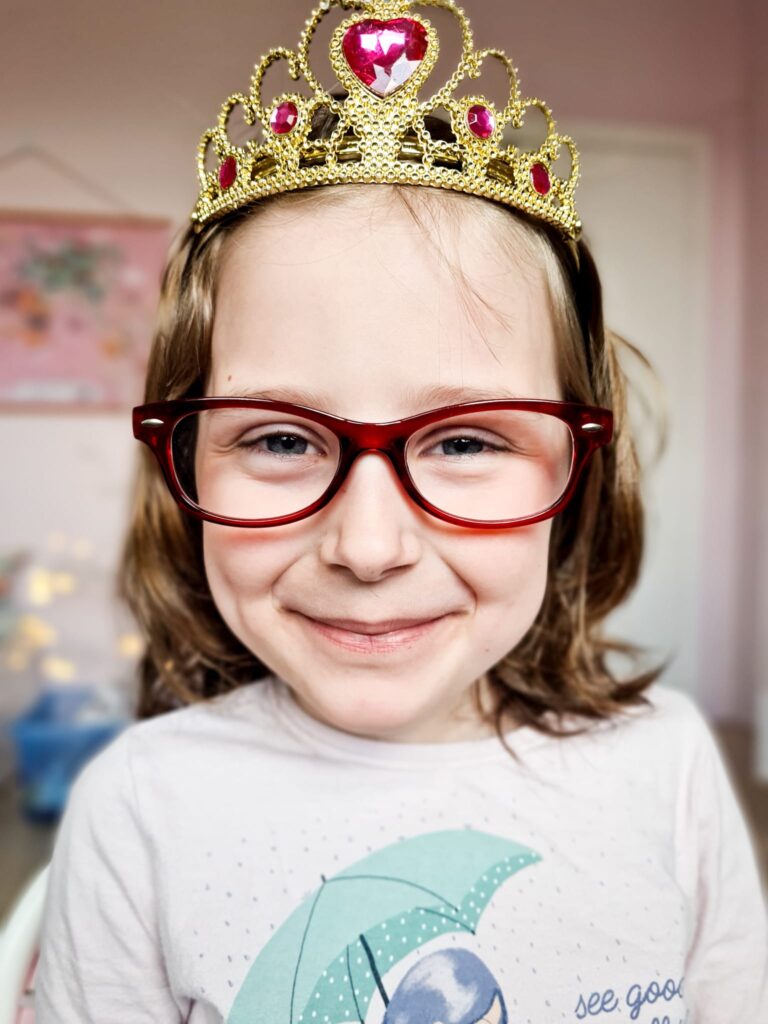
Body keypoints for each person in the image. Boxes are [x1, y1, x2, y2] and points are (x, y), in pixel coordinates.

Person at [35, 0, 768, 1021]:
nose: (368, 546)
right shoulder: (139, 808)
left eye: (465, 441)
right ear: (185, 460)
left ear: (581, 467)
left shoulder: (668, 766)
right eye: (281, 439)